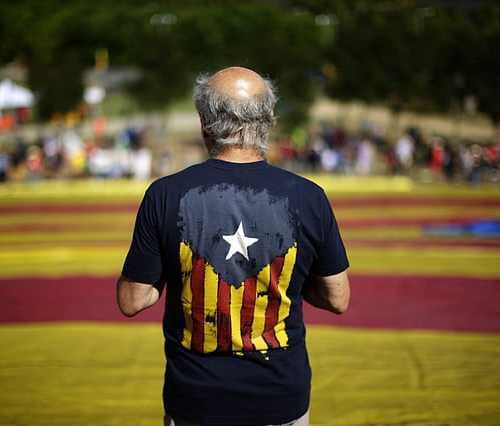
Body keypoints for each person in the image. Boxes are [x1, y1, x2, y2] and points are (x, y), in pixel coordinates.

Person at [117, 66, 351, 426]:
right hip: (279, 398)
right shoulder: (309, 197)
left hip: (195, 400)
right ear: (269, 118)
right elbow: (338, 298)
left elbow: (132, 300)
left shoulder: (164, 195)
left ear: (204, 122)